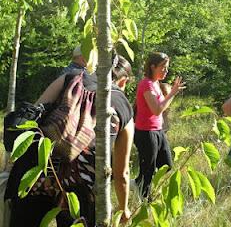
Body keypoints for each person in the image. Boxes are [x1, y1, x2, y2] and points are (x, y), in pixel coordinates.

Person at [5, 54, 134, 227]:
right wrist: (124, 208)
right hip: (81, 188)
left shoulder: (70, 78)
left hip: (38, 172)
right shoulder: (123, 106)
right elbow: (122, 173)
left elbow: (31, 120)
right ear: (123, 81)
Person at [133, 52, 185, 198]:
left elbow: (162, 108)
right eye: (163, 67)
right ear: (152, 66)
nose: (166, 71)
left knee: (166, 165)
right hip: (146, 132)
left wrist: (170, 94)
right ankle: (145, 200)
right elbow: (156, 110)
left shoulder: (156, 84)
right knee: (148, 169)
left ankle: (137, 183)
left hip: (158, 130)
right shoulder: (146, 84)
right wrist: (172, 93)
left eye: (167, 68)